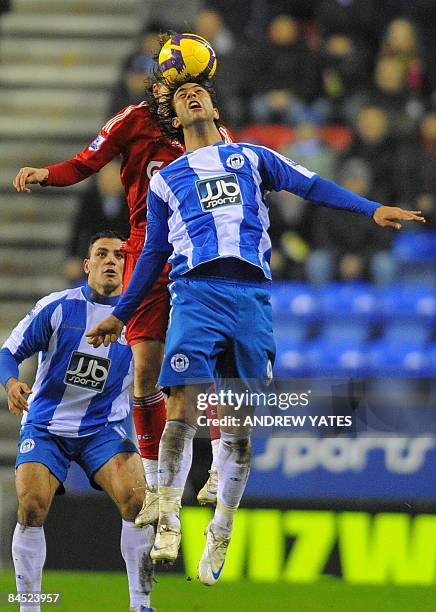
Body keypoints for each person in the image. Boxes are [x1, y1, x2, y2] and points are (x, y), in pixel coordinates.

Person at [86, 80, 425, 586]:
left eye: (199, 90)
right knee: (180, 402)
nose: (191, 95)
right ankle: (170, 519)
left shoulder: (252, 158)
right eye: (181, 96)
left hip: (251, 298)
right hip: (196, 292)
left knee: (239, 427)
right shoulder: (168, 179)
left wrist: (370, 208)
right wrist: (122, 312)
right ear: (175, 119)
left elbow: (312, 185)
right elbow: (154, 252)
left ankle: (220, 531)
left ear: (216, 108)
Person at [12, 43, 232, 524]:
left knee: (209, 357)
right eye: (164, 87)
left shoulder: (215, 134)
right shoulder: (133, 120)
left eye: (171, 85)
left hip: (195, 252)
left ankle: (220, 465)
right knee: (146, 373)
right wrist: (47, 174)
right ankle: (156, 480)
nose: (160, 92)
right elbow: (87, 162)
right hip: (145, 253)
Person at [0, 231, 155, 612]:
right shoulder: (58, 308)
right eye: (102, 254)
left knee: (138, 502)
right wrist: (12, 381)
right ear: (87, 266)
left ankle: (140, 605)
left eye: (120, 255)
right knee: (33, 506)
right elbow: (8, 351)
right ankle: (30, 606)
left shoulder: (141, 319)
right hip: (47, 426)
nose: (111, 261)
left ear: (129, 265)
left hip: (104, 428)